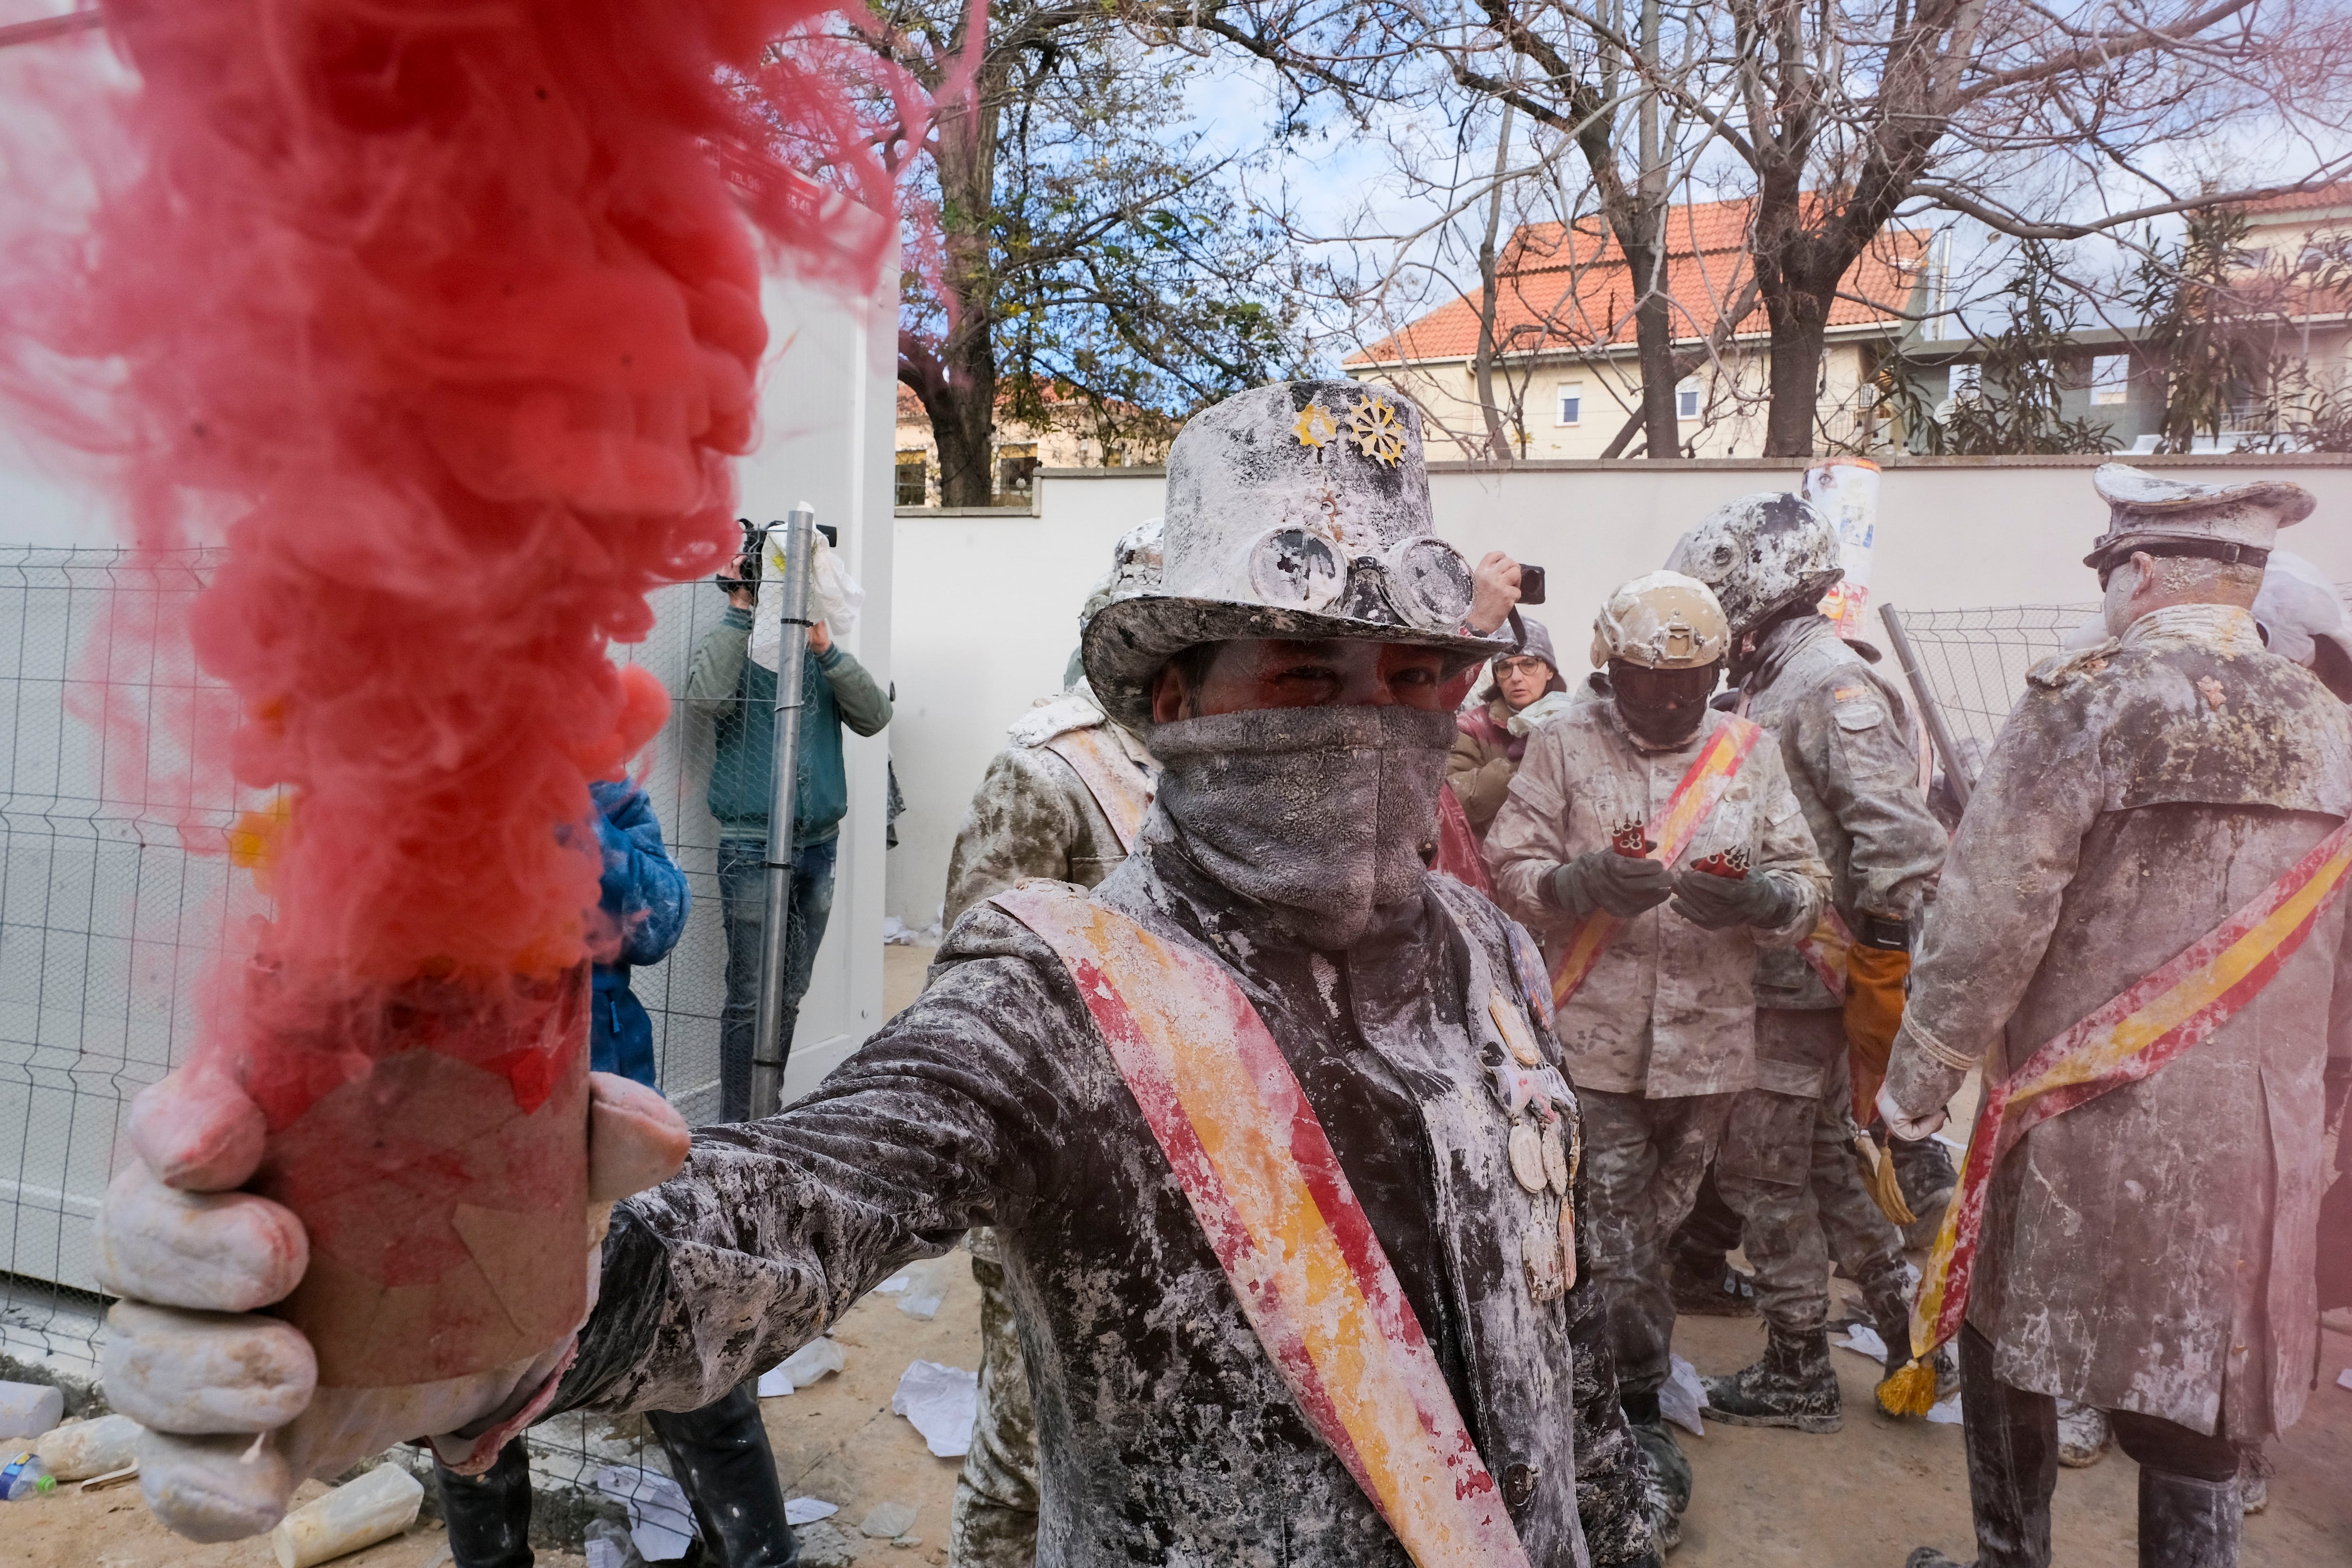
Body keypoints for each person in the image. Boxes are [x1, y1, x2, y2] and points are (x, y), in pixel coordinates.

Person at [97, 380, 1661, 1568]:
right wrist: (494, 1306)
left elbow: (1558, 1297)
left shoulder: (1490, 951)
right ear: (1179, 700)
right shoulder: (1064, 993)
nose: (1369, 722)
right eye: (1306, 673)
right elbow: (793, 1204)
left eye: (1412, 677)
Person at [1883, 465, 2348, 1568]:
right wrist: (2325, 1082)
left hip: (2076, 1118)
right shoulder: (2334, 728)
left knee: (2009, 1345)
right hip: (2263, 1143)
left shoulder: (2084, 700)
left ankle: (2013, 1557)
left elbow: (1988, 917)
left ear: (2136, 568)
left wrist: (1914, 1085)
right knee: (2205, 1380)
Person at [1486, 570, 1830, 1550]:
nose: (1673, 697)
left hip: (1710, 1048)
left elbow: (1809, 881)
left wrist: (1763, 901)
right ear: (1612, 665)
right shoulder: (1560, 742)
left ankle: (1606, 1385)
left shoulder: (1747, 752)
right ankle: (1625, 1417)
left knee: (1659, 1235)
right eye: (1650, 679)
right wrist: (1576, 881)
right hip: (1590, 1040)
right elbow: (1507, 873)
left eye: (1693, 679)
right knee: (1613, 1238)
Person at [434, 780, 798, 1568]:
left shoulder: (608, 799)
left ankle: (751, 1555)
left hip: (612, 1151)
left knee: (693, 1363)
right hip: (469, 1150)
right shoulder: (433, 784)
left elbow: (657, 921)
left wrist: (568, 813)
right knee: (470, 1400)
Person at [1659, 494, 1948, 1433]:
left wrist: (1883, 979)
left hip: (1804, 983)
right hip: (1771, 975)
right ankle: (1914, 1332)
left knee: (1761, 1175)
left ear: (1751, 589)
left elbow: (1898, 844)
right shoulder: (1767, 684)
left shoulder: (1828, 686)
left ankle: (1797, 1369)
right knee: (1825, 1161)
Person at [936, 519, 1164, 1568]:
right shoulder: (1052, 770)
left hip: (1188, 1178)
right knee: (1028, 1446)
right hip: (1061, 1175)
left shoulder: (1233, 768)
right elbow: (980, 1003)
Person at [685, 559, 892, 1121]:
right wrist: (739, 612)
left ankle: (766, 1115)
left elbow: (875, 716)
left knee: (789, 992)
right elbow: (704, 699)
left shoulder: (820, 661)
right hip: (750, 846)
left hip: (817, 847)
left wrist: (826, 648)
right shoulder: (738, 653)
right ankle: (737, 1125)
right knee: (751, 997)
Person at [1448, 615, 1567, 839]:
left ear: (1550, 670)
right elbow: (1452, 801)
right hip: (1496, 862)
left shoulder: (1572, 720)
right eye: (1505, 668)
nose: (1516, 677)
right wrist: (1522, 764)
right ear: (1496, 678)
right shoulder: (1471, 727)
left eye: (1529, 664)